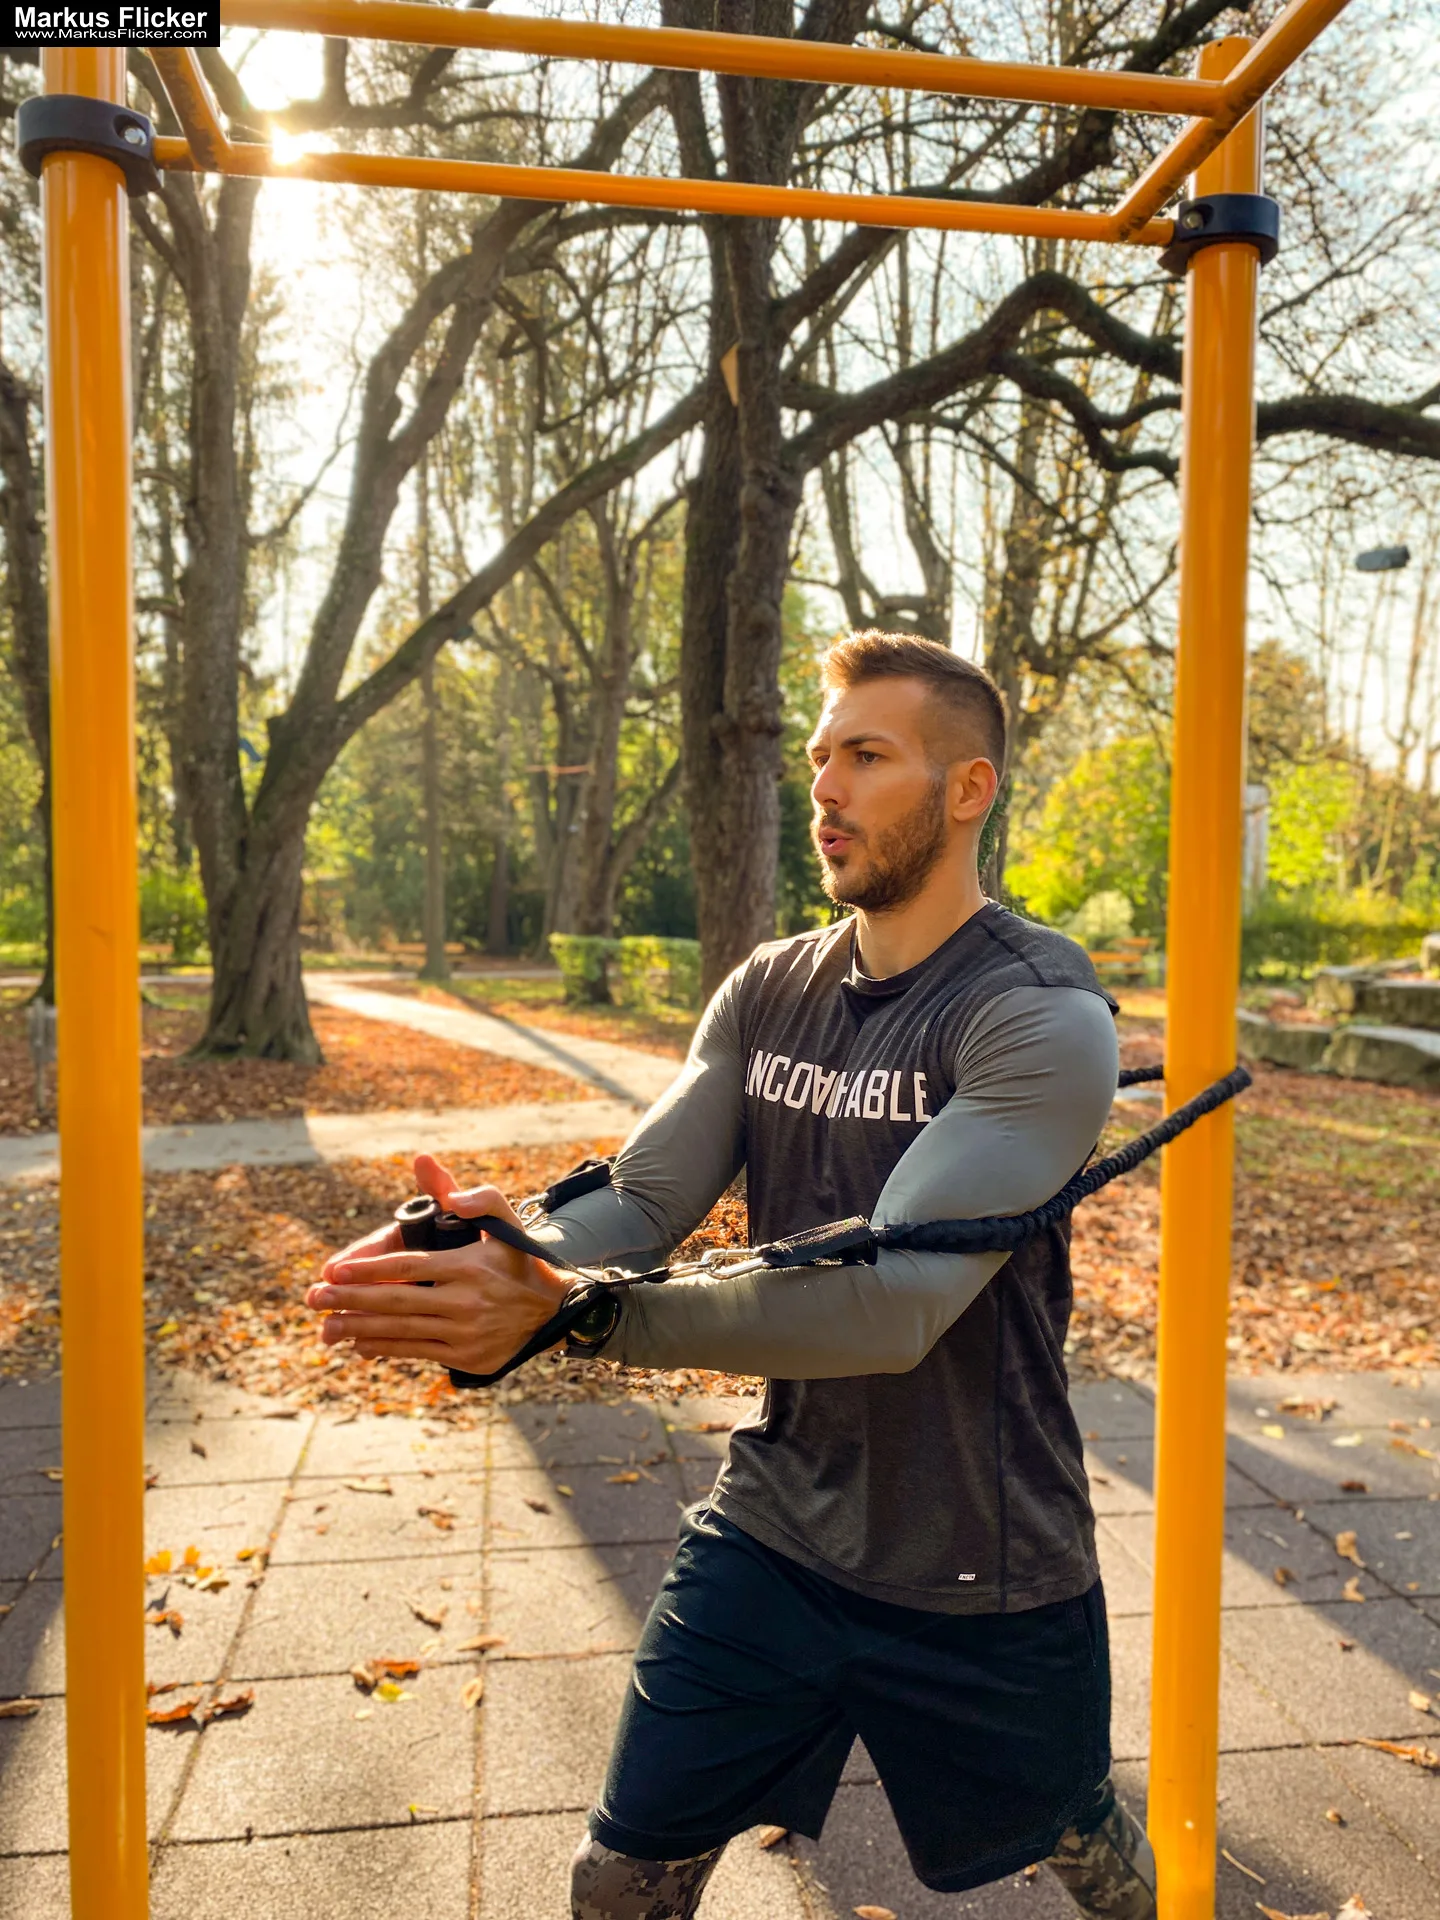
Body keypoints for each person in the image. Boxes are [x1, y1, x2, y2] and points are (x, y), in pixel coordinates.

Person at [308, 631, 1157, 1920]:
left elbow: (892, 1303)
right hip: (778, 1524)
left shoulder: (1038, 1013)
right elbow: (646, 1199)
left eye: (866, 755)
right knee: (619, 1879)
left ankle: (1109, 1835)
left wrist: (577, 1318)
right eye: (819, 757)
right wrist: (506, 1250)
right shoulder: (771, 987)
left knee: (1087, 1854)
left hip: (984, 1561)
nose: (824, 786)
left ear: (967, 788)